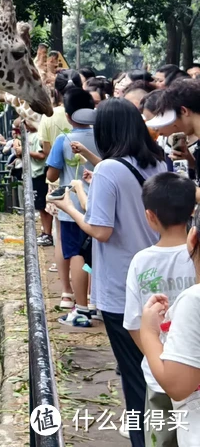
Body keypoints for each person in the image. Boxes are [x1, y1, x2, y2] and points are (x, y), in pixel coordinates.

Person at [49, 98, 165, 447]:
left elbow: (101, 230)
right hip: (159, 280)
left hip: (122, 285)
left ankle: (143, 440)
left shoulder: (109, 170)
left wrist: (69, 205)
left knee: (134, 377)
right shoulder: (158, 163)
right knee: (158, 369)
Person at [124, 172, 197, 447]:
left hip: (159, 378)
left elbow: (134, 323)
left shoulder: (141, 262)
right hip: (196, 374)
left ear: (150, 216)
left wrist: (158, 357)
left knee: (162, 438)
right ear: (192, 210)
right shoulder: (196, 253)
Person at [47, 87, 99, 325]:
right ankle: (96, 301)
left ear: (67, 116)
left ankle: (81, 308)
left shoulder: (63, 139)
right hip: (100, 204)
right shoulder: (103, 136)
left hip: (73, 209)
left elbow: (51, 174)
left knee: (77, 255)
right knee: (95, 255)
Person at [33, 70, 80, 253]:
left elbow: (46, 152)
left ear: (56, 91)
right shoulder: (90, 113)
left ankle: (66, 279)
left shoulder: (49, 116)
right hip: (86, 177)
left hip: (58, 180)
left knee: (61, 233)